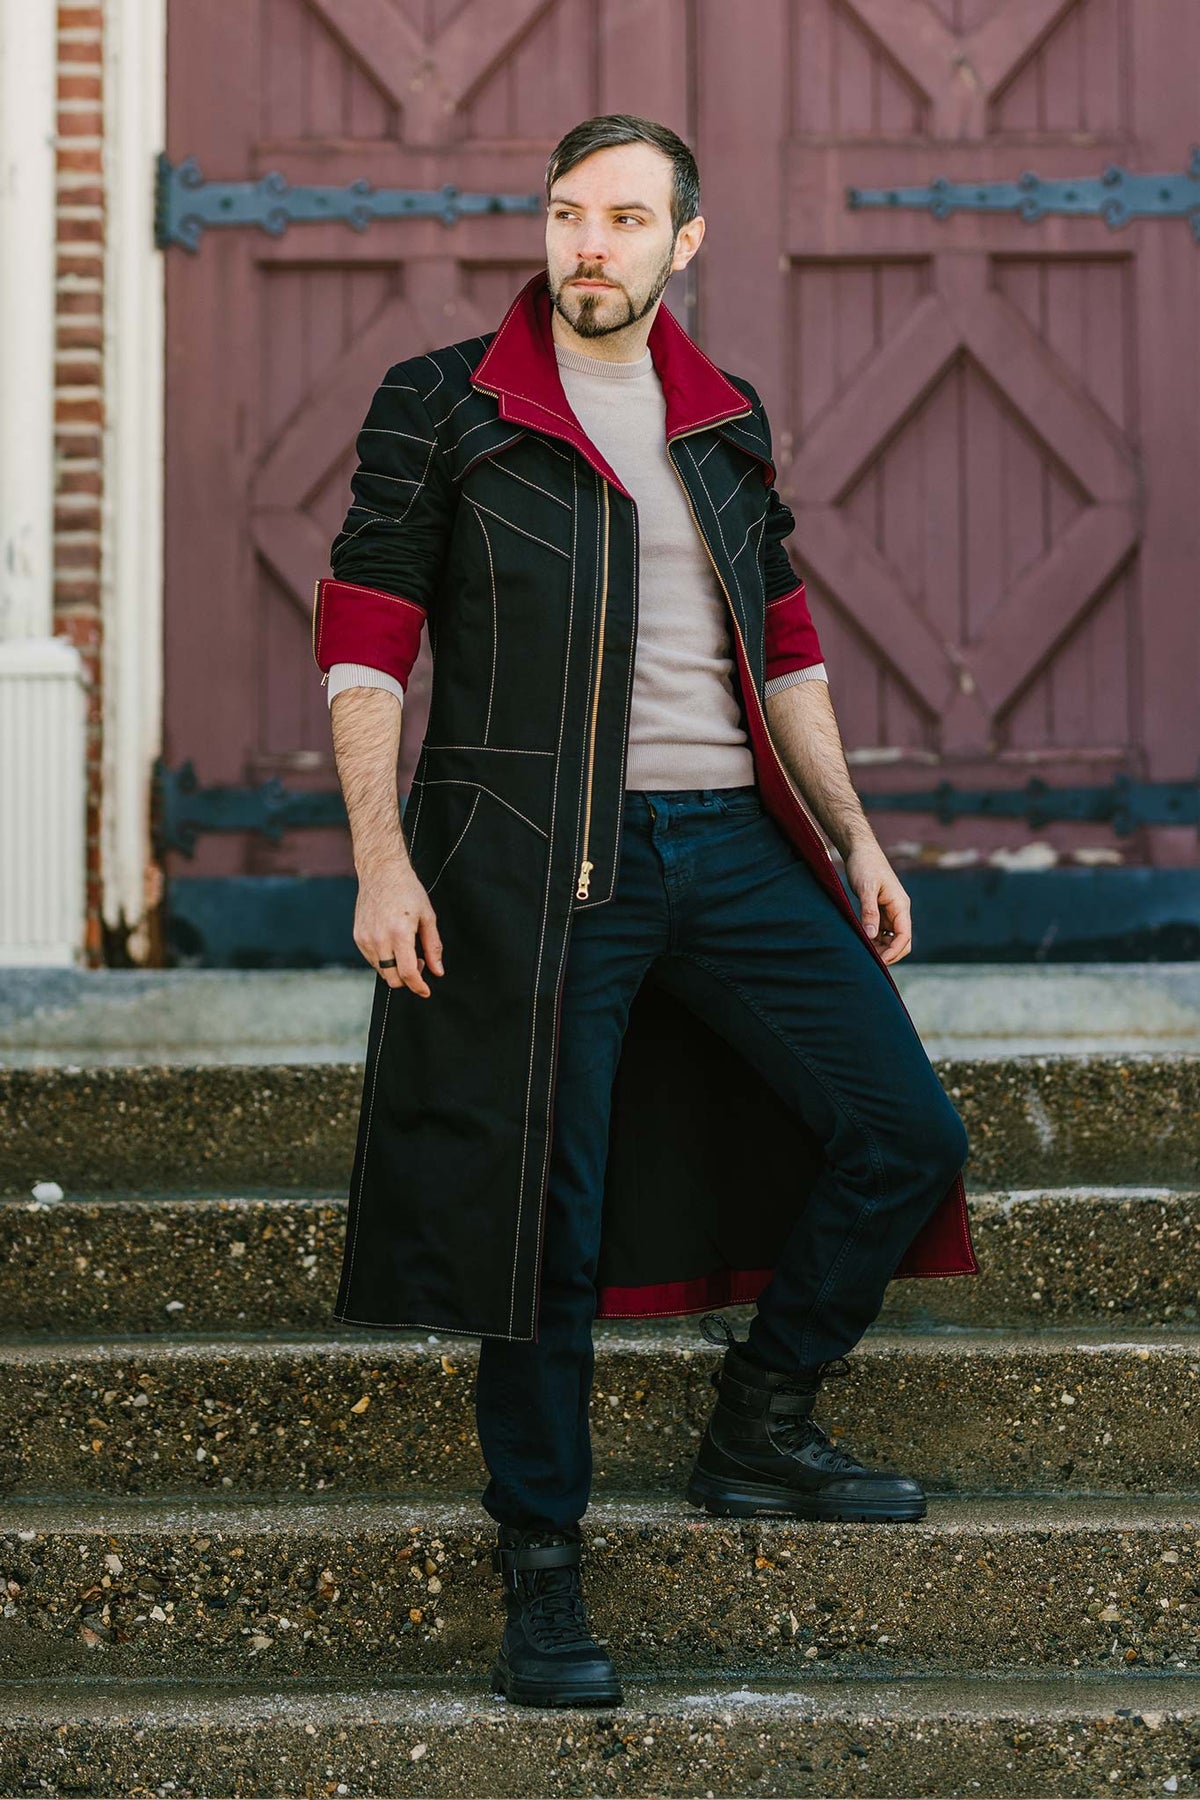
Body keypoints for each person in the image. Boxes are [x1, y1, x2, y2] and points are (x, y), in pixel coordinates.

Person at [316, 113, 976, 1712]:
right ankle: (542, 1563)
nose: (588, 245)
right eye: (567, 213)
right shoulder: (448, 403)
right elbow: (366, 632)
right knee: (539, 1218)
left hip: (734, 850)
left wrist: (854, 837)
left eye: (623, 218)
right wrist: (383, 860)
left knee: (904, 1131)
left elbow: (787, 646)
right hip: (541, 860)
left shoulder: (723, 416)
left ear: (685, 241)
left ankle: (760, 1423)